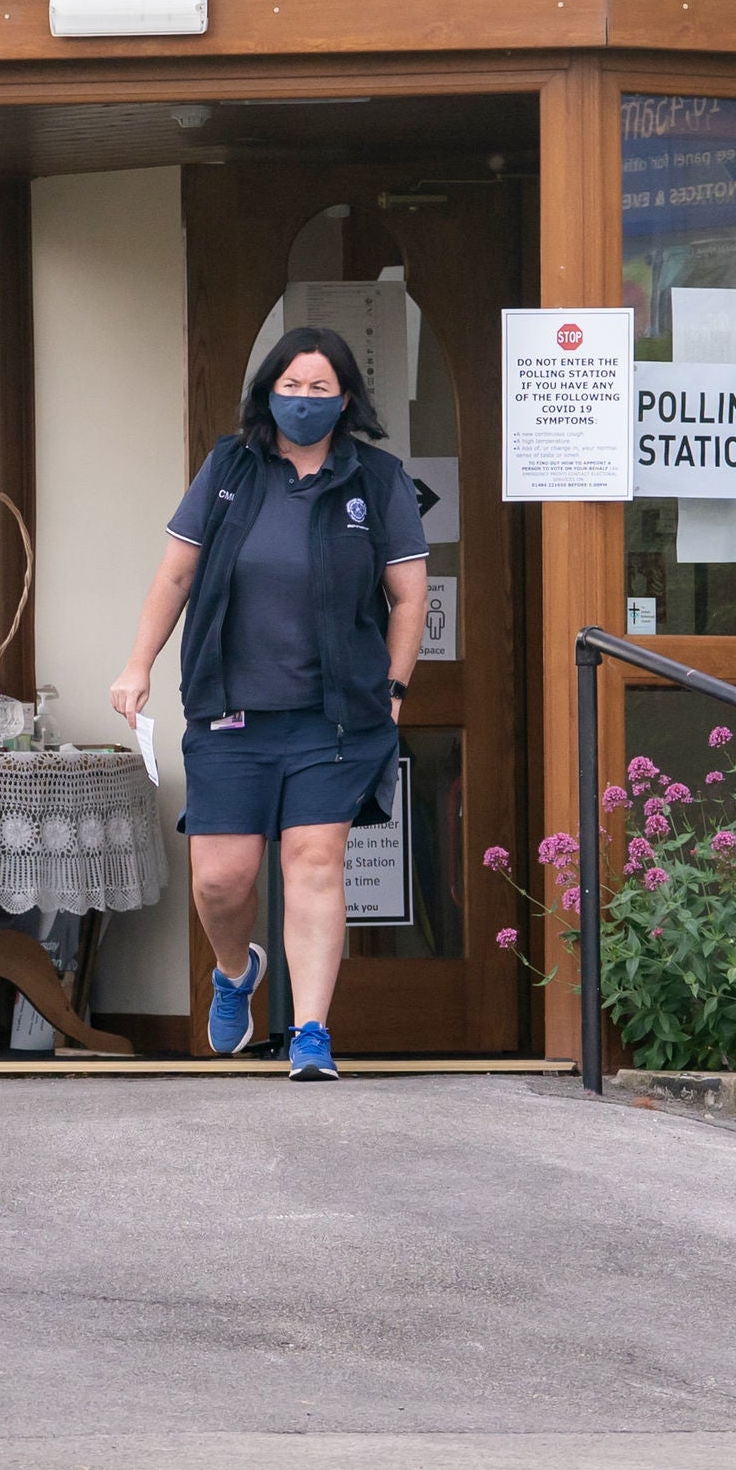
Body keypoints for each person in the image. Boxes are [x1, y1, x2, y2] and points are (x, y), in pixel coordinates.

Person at [108, 327, 426, 1078]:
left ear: (346, 397)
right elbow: (175, 577)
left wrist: (396, 686)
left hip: (334, 713)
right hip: (229, 710)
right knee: (222, 878)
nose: (305, 401)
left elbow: (408, 596)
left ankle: (312, 1030)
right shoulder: (229, 467)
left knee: (315, 861)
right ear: (268, 391)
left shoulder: (376, 480)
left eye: (321, 389)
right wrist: (136, 664)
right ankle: (233, 970)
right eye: (292, 387)